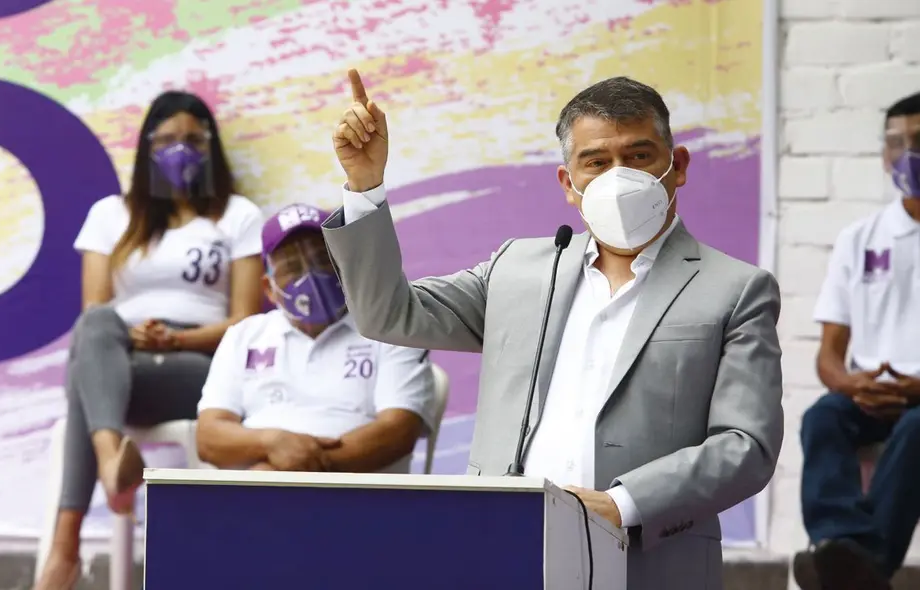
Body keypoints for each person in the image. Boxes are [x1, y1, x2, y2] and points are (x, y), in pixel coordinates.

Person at [321, 70, 783, 590]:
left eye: (638, 157)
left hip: (650, 564)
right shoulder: (518, 268)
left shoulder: (736, 288)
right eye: (596, 162)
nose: (618, 177)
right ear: (568, 184)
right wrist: (365, 186)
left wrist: (621, 504)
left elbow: (747, 445)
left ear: (677, 167)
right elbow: (388, 313)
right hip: (503, 552)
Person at [34, 91, 266, 590]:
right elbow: (96, 311)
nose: (179, 150)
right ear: (145, 146)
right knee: (94, 330)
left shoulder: (238, 216)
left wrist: (178, 342)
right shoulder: (110, 215)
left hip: (200, 365)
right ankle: (110, 460)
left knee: (86, 385)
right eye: (166, 140)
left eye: (192, 139)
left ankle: (65, 549)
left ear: (211, 147)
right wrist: (138, 340)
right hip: (122, 354)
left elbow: (246, 321)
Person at [194, 203, 436, 474]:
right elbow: (209, 438)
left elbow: (397, 432)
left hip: (356, 500)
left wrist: (292, 473)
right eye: (293, 267)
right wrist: (271, 443)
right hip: (255, 496)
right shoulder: (244, 336)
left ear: (346, 266)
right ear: (269, 289)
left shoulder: (391, 327)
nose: (309, 275)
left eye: (322, 259)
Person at [793, 92, 920, 590]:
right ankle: (838, 544)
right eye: (896, 142)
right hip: (869, 393)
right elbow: (829, 351)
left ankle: (860, 566)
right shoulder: (860, 238)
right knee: (822, 416)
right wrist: (848, 386)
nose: (907, 153)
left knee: (917, 429)